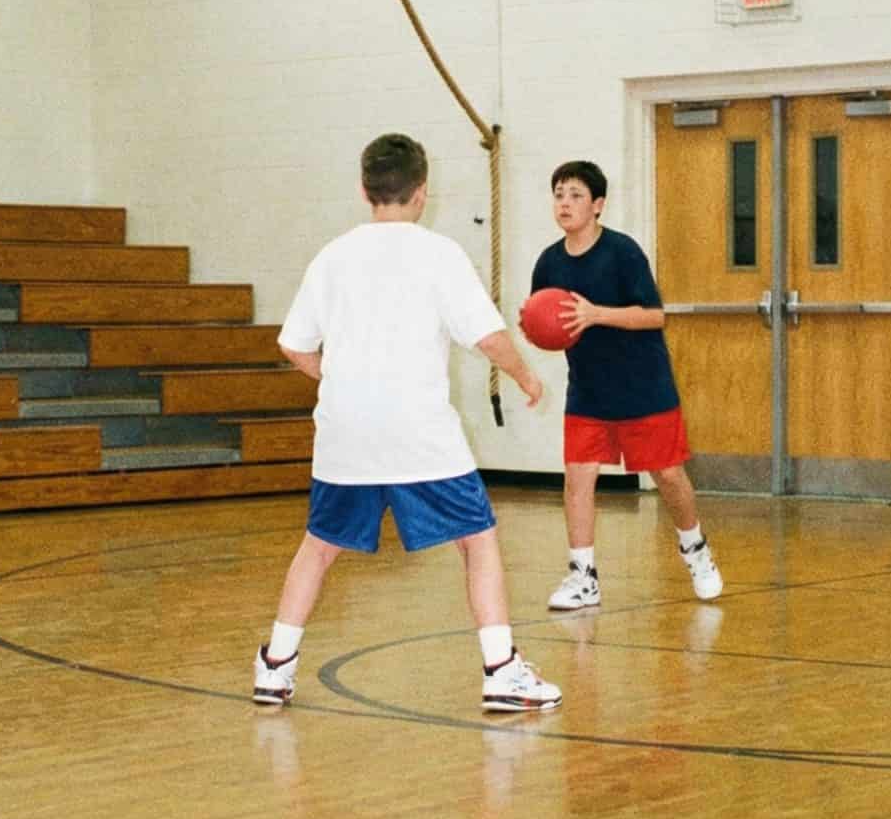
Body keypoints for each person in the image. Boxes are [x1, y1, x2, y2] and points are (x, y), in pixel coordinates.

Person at [250, 133, 561, 713]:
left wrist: (340, 380)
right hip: (420, 433)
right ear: (422, 191)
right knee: (477, 540)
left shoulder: (332, 256)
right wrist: (526, 377)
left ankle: (274, 666)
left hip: (345, 433)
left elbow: (293, 344)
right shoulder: (440, 254)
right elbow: (488, 337)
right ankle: (501, 671)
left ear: (364, 189)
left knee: (319, 546)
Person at [532, 161, 720, 611]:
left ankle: (695, 548)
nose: (564, 203)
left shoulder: (623, 252)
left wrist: (597, 314)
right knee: (578, 479)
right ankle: (583, 577)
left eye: (575, 195)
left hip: (643, 387)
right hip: (588, 391)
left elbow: (654, 316)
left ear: (597, 205)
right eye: (559, 194)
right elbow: (545, 319)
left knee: (668, 476)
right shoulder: (549, 262)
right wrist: (539, 329)